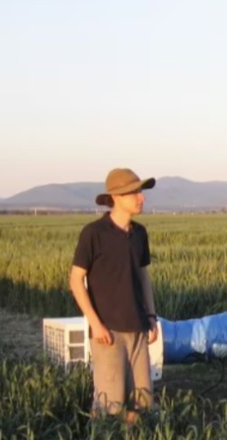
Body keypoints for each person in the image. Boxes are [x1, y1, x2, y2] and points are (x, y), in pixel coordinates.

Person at [69, 168, 159, 421]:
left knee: (142, 401)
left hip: (138, 328)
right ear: (116, 197)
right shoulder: (93, 234)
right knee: (110, 404)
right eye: (134, 193)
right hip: (108, 333)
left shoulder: (139, 233)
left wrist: (151, 316)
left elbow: (143, 277)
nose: (141, 198)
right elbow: (76, 281)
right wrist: (96, 325)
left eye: (141, 192)